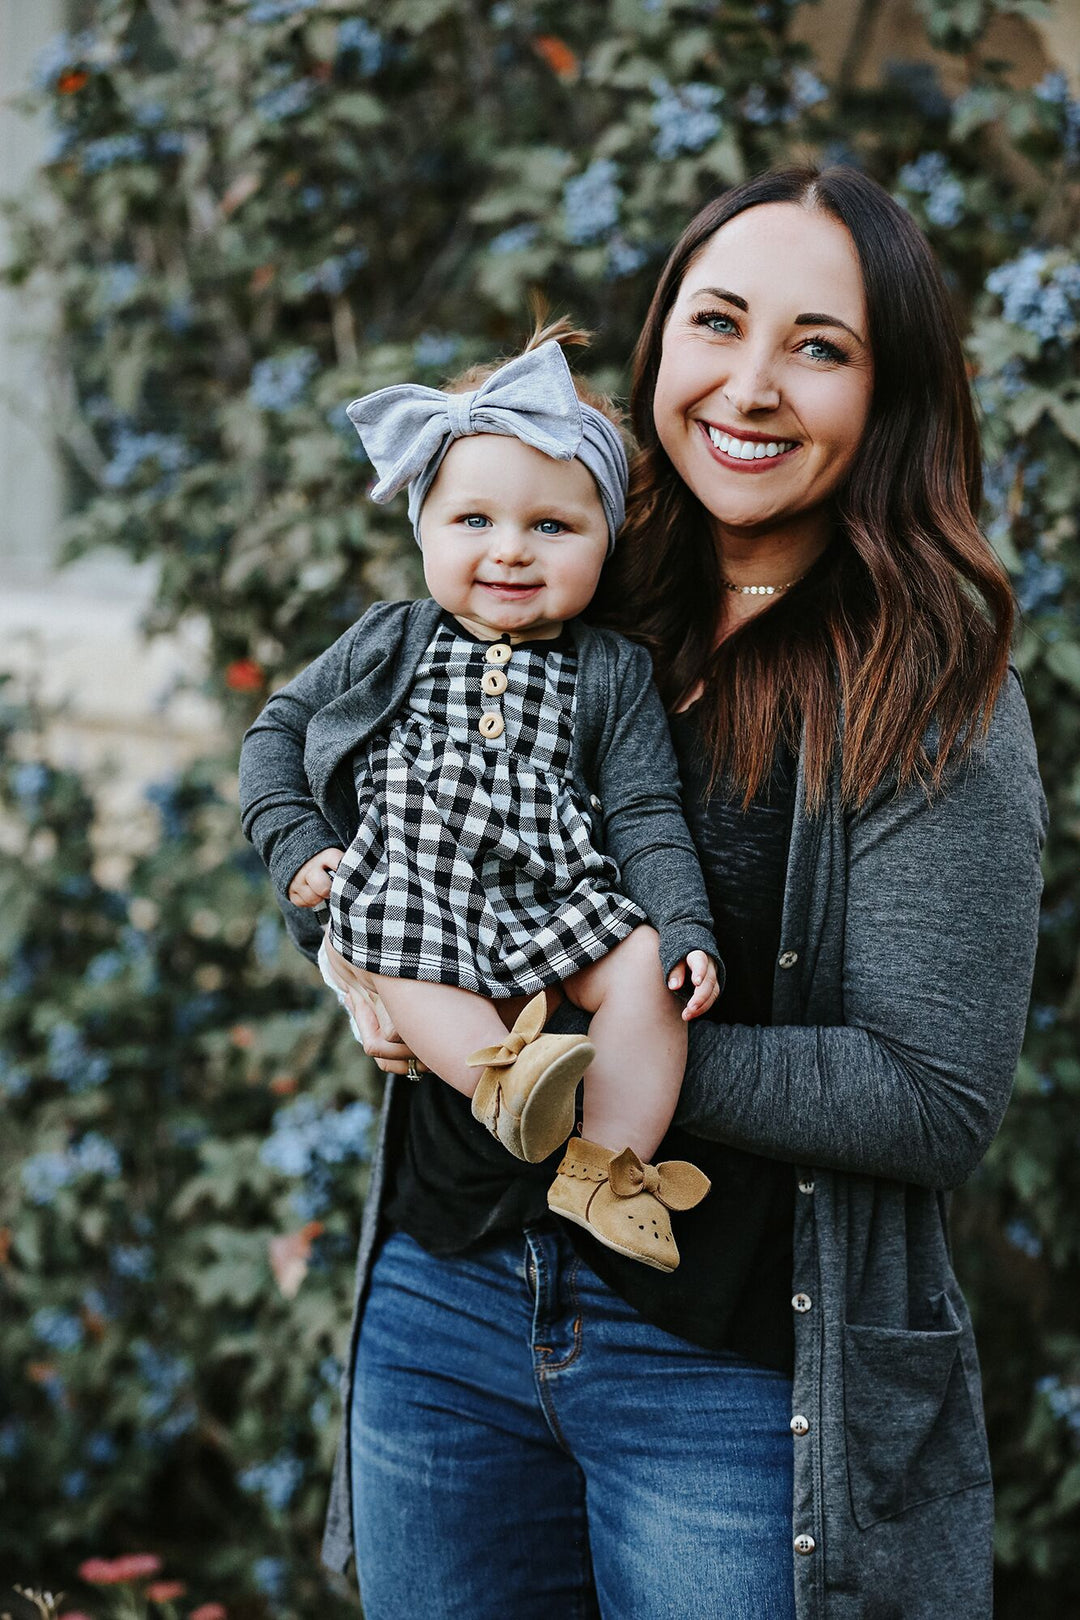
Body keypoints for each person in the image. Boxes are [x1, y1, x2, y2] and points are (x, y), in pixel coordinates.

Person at [257, 165, 1048, 1618]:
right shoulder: (562, 564)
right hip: (445, 1312)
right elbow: (345, 790)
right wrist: (354, 957)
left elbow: (933, 1095)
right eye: (719, 324)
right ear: (658, 347)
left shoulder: (928, 687)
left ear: (895, 395)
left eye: (822, 346)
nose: (750, 386)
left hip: (728, 1380)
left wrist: (581, 1058)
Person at [241, 326, 719, 1270]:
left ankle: (610, 1168)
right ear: (422, 525)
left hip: (550, 892)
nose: (510, 552)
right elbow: (277, 733)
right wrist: (295, 844)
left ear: (603, 543)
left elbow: (645, 813)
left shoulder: (613, 673)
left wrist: (688, 925)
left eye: (552, 526)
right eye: (473, 522)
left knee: (642, 966)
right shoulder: (392, 639)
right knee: (386, 933)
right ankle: (504, 1082)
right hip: (417, 887)